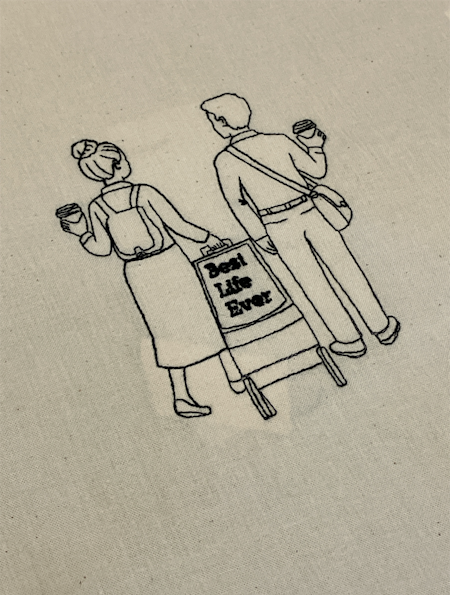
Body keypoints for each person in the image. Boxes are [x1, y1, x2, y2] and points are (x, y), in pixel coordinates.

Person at [200, 93, 400, 358]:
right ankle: (382, 327)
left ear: (223, 121)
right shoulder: (278, 140)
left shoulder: (225, 160)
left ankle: (349, 340)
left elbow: (238, 203)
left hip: (277, 224)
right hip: (311, 211)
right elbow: (317, 171)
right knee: (346, 268)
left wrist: (258, 235)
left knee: (312, 283)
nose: (213, 125)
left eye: (212, 120)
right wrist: (315, 146)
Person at [60, 139, 245, 417]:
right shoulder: (143, 192)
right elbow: (179, 225)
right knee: (203, 316)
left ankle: (181, 396)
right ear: (119, 164)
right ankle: (235, 374)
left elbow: (101, 248)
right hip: (169, 261)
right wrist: (210, 238)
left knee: (165, 332)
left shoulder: (98, 206)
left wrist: (81, 233)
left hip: (137, 273)